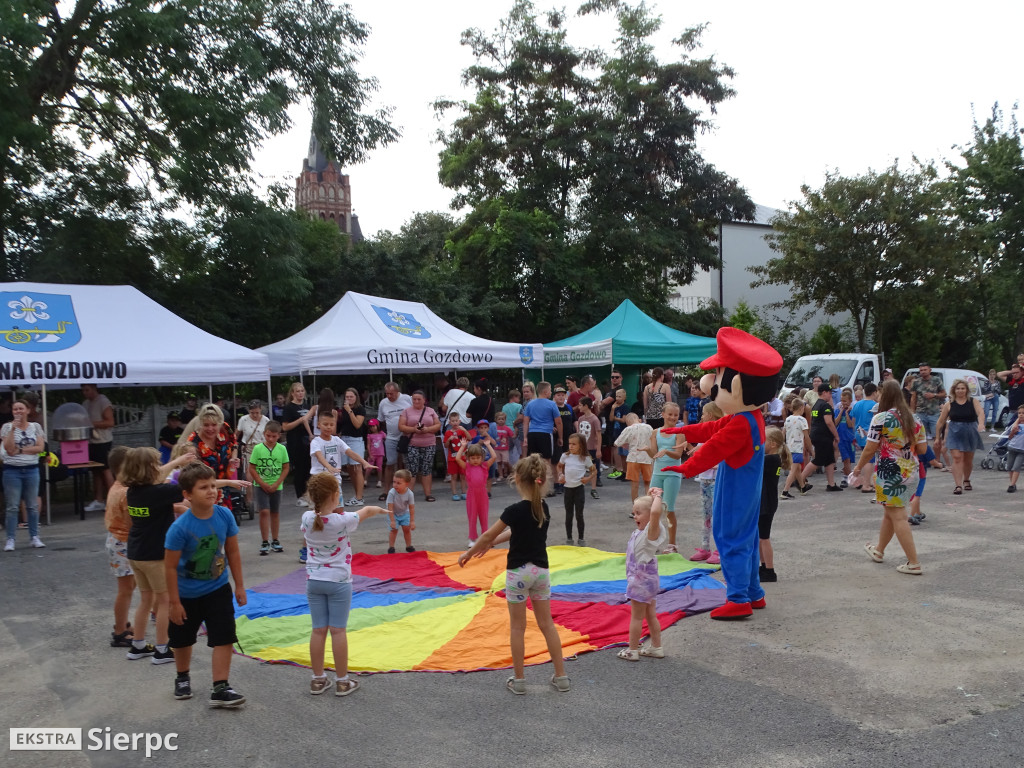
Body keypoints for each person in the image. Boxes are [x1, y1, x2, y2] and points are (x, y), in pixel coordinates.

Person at [458, 454, 570, 695]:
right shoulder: (543, 507)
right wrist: (494, 542)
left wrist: (470, 552)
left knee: (517, 628)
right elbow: (514, 532)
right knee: (547, 624)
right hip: (540, 572)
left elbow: (488, 534)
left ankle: (519, 680)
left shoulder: (514, 510)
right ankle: (561, 676)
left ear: (517, 479)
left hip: (518, 573)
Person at [164, 462, 247, 706]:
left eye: (213, 485)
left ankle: (220, 687)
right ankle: (182, 676)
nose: (211, 491)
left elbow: (232, 551)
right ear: (187, 494)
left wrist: (239, 585)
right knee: (182, 639)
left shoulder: (224, 514)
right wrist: (174, 602)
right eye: (203, 487)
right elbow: (169, 567)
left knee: (224, 636)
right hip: (186, 594)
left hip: (218, 589)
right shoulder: (179, 528)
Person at [301, 472, 387, 696]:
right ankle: (342, 681)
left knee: (318, 630)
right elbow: (367, 511)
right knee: (338, 631)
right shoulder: (343, 521)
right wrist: (383, 510)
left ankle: (318, 679)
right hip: (339, 582)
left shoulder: (307, 519)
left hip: (314, 581)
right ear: (334, 495)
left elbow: (320, 518)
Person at [123, 447, 191, 664]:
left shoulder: (133, 491)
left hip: (136, 553)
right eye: (156, 464)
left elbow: (157, 477)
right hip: (155, 555)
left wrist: (176, 460)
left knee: (145, 600)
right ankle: (162, 648)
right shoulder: (160, 492)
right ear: (151, 470)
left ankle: (138, 645)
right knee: (165, 602)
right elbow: (187, 487)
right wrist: (182, 466)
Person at [854, 379, 927, 575]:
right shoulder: (915, 419)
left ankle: (914, 563)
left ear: (883, 395)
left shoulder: (881, 419)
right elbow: (922, 448)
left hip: (889, 471)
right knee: (890, 512)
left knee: (899, 516)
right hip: (910, 470)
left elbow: (870, 448)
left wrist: (858, 468)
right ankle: (879, 550)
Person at [616, 487, 667, 661]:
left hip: (641, 580)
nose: (635, 517)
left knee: (636, 617)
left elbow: (654, 512)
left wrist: (657, 496)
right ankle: (656, 647)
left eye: (638, 513)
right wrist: (652, 495)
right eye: (633, 513)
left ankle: (632, 650)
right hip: (649, 580)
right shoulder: (642, 531)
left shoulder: (651, 533)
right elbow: (651, 509)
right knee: (650, 614)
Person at [2, 399, 45, 551]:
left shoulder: (35, 427)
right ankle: (10, 539)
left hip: (31, 469)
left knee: (32, 505)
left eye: (21, 408)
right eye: (15, 409)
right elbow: (8, 449)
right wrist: (13, 430)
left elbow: (40, 447)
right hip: (12, 470)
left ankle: (34, 536)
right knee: (12, 506)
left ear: (27, 410)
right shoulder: (6, 427)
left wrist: (20, 451)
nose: (18, 412)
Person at [104, 446, 135, 647]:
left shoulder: (118, 486)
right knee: (125, 590)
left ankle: (122, 622)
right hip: (122, 543)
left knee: (130, 586)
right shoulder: (124, 492)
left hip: (119, 542)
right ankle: (119, 631)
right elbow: (134, 521)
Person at [183, 404, 240, 512]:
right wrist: (229, 482)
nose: (210, 429)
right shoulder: (193, 442)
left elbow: (234, 443)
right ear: (200, 424)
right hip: (203, 491)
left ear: (220, 424)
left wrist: (234, 458)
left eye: (214, 425)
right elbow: (195, 475)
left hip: (224, 491)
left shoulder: (225, 429)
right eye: (206, 425)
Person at [646, 402, 686, 553]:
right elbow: (654, 454)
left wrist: (666, 452)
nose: (673, 417)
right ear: (662, 414)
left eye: (676, 415)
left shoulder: (679, 433)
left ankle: (672, 544)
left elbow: (678, 454)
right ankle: (652, 542)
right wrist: (647, 450)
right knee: (652, 508)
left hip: (672, 474)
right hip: (657, 473)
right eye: (670, 414)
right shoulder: (655, 432)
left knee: (669, 509)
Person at [933, 378, 985, 495]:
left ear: (966, 390)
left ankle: (966, 479)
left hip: (970, 430)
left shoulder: (973, 401)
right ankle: (958, 485)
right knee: (957, 458)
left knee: (968, 459)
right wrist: (937, 437)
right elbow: (940, 422)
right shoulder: (949, 404)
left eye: (962, 388)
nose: (960, 391)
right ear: (954, 390)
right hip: (955, 431)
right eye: (958, 388)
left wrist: (981, 423)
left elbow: (980, 412)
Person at [248, 421, 290, 556]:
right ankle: (265, 540)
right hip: (261, 485)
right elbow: (252, 468)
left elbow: (285, 467)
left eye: (273, 436)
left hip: (276, 485)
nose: (270, 439)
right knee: (264, 511)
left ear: (279, 436)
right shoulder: (258, 449)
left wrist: (277, 483)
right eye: (268, 436)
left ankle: (275, 539)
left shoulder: (282, 449)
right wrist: (261, 483)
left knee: (275, 512)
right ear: (264, 434)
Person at [689, 402, 722, 563]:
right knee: (706, 515)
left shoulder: (722, 434)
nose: (701, 416)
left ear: (710, 415)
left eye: (704, 413)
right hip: (704, 479)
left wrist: (712, 464)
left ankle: (719, 549)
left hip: (716, 479)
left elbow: (724, 458)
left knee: (717, 516)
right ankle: (705, 547)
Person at [398, 390, 441, 502]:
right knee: (412, 470)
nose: (416, 401)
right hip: (412, 444)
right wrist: (413, 429)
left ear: (424, 400)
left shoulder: (430, 411)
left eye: (419, 399)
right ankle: (408, 496)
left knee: (427, 469)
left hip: (429, 443)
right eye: (414, 399)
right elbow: (401, 426)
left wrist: (427, 429)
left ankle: (428, 494)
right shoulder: (406, 411)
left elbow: (437, 425)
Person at [759, 427, 789, 583]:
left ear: (771, 443)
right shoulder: (771, 458)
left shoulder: (771, 459)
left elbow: (752, 461)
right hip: (764, 502)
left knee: (764, 537)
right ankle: (763, 566)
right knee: (760, 537)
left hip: (767, 503)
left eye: (762, 440)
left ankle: (769, 570)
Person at [801, 383, 842, 492]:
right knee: (818, 460)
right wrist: (836, 436)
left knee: (829, 460)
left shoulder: (816, 405)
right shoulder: (825, 406)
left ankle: (831, 484)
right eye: (829, 393)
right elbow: (829, 422)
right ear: (824, 392)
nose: (830, 395)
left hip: (817, 435)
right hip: (823, 436)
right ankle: (800, 480)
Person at [82, 383, 116, 513]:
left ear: (94, 388)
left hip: (103, 440)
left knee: (105, 470)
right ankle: (99, 500)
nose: (85, 392)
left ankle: (113, 501)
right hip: (91, 441)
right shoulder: (85, 403)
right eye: (83, 390)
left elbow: (110, 422)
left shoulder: (103, 401)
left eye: (87, 390)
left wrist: (91, 424)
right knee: (95, 471)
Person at [376, 382, 413, 501]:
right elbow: (380, 419)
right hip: (391, 437)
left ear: (397, 392)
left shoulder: (407, 399)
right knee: (390, 463)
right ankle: (386, 491)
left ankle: (406, 490)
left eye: (391, 394)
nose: (389, 396)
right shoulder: (383, 403)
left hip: (406, 436)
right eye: (387, 394)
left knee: (407, 463)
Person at [281, 382, 315, 506]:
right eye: (298, 391)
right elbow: (285, 427)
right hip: (296, 441)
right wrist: (300, 420)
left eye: (302, 390)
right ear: (293, 393)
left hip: (307, 441)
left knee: (308, 469)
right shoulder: (289, 408)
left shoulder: (307, 406)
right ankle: (300, 495)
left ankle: (308, 494)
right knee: (299, 469)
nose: (300, 393)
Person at [557, 433, 594, 546]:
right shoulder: (565, 456)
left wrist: (588, 479)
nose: (571, 446)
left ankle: (581, 538)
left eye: (574, 444)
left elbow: (594, 471)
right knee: (568, 514)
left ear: (581, 445)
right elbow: (559, 466)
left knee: (579, 514)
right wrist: (560, 475)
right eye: (570, 444)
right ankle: (569, 537)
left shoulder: (585, 458)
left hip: (579, 489)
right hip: (568, 489)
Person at [457, 443, 496, 547]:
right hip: (472, 495)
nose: (475, 460)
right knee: (472, 517)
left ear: (482, 457)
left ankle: (485, 539)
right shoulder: (467, 466)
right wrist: (463, 446)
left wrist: (488, 445)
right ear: (468, 458)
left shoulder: (484, 465)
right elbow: (457, 458)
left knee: (484, 517)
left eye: (478, 458)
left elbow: (494, 457)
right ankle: (472, 539)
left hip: (483, 494)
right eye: (472, 458)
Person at [521, 381, 563, 479]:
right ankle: (546, 486)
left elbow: (525, 421)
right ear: (545, 391)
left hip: (532, 434)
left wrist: (525, 437)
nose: (551, 392)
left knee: (533, 460)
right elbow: (559, 422)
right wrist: (560, 437)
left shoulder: (530, 404)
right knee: (546, 460)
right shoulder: (552, 404)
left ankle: (534, 483)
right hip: (545, 434)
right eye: (550, 390)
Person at [336, 388, 368, 507]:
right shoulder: (343, 410)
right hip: (345, 439)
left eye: (351, 397)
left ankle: (359, 497)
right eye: (347, 397)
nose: (349, 399)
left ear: (356, 397)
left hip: (356, 440)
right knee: (349, 468)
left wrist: (350, 411)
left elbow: (357, 424)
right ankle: (356, 495)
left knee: (357, 467)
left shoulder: (360, 409)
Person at [614, 413, 654, 502]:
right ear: (639, 419)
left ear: (628, 423)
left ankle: (635, 509)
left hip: (633, 459)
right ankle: (649, 506)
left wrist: (626, 443)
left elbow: (617, 443)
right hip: (647, 457)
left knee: (635, 484)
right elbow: (654, 441)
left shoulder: (628, 429)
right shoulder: (648, 427)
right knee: (648, 483)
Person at [235, 400, 268, 501]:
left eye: (257, 413)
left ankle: (261, 499)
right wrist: (234, 446)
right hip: (249, 448)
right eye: (252, 413)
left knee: (262, 475)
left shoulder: (266, 420)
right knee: (249, 475)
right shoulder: (243, 420)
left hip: (262, 448)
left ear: (260, 410)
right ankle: (249, 500)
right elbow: (236, 434)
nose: (254, 415)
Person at [780, 398, 812, 498]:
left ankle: (802, 487)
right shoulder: (802, 420)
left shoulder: (788, 419)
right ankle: (785, 491)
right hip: (797, 447)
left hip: (789, 447)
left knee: (797, 468)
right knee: (793, 470)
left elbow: (783, 433)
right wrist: (810, 448)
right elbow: (806, 436)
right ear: (801, 407)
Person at [910, 362, 946, 439]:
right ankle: (924, 451)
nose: (923, 372)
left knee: (936, 436)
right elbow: (913, 398)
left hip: (933, 412)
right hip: (920, 412)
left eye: (925, 370)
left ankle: (936, 450)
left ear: (930, 370)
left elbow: (944, 394)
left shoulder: (936, 380)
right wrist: (912, 412)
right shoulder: (916, 382)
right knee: (921, 437)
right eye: (921, 370)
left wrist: (934, 395)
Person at [575, 397, 602, 496]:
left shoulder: (594, 419)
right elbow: (578, 433)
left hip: (592, 448)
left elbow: (598, 435)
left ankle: (593, 488)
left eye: (580, 405)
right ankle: (579, 486)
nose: (579, 407)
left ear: (586, 406)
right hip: (582, 448)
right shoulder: (580, 418)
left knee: (593, 468)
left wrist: (598, 449)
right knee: (580, 467)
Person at [550, 386, 575, 495]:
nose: (560, 397)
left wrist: (577, 432)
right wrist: (551, 426)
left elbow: (575, 420)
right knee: (555, 461)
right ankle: (556, 484)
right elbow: (547, 420)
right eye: (558, 395)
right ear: (554, 397)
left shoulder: (569, 408)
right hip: (556, 439)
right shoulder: (552, 408)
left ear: (565, 396)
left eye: (562, 395)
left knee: (567, 461)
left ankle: (564, 482)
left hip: (568, 438)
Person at [386, 469, 417, 554]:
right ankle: (391, 547)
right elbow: (390, 507)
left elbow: (411, 508)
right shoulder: (391, 493)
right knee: (394, 530)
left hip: (404, 513)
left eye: (398, 483)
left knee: (407, 529)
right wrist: (392, 520)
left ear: (407, 484)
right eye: (394, 482)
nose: (395, 485)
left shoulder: (410, 494)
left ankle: (408, 546)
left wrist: (412, 521)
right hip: (393, 513)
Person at [443, 411, 470, 500]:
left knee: (463, 476)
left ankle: (464, 492)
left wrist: (465, 430)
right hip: (452, 458)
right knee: (453, 476)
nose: (455, 422)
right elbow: (446, 446)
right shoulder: (448, 433)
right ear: (450, 422)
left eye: (456, 420)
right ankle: (454, 494)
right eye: (453, 421)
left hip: (462, 457)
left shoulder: (462, 431)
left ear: (459, 421)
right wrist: (449, 440)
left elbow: (469, 438)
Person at [607, 388, 630, 479]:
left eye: (620, 396)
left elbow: (624, 419)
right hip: (616, 430)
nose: (617, 398)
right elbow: (611, 419)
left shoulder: (625, 407)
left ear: (624, 397)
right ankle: (620, 470)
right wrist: (612, 409)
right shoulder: (615, 406)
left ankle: (624, 470)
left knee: (624, 452)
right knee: (618, 450)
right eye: (616, 396)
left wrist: (616, 418)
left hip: (623, 431)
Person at [835, 389, 857, 481]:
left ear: (850, 401)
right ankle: (847, 478)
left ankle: (848, 476)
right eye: (841, 400)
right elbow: (835, 423)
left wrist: (847, 413)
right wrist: (841, 412)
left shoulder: (853, 411)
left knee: (850, 459)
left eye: (845, 401)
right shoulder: (838, 410)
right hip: (841, 438)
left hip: (850, 438)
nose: (843, 403)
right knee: (845, 459)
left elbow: (850, 425)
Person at [1004, 405, 1024, 493]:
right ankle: (1013, 483)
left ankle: (1012, 485)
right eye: (1019, 413)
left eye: (1023, 413)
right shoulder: (1015, 425)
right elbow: (1010, 437)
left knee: (1016, 467)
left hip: (1022, 450)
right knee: (1010, 467)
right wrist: (1013, 432)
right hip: (1012, 447)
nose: (1021, 415)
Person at [502, 389, 523, 465]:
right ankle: (519, 467)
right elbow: (519, 418)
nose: (519, 400)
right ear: (514, 397)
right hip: (515, 430)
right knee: (520, 451)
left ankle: (507, 469)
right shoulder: (519, 406)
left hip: (506, 430)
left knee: (507, 451)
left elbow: (503, 419)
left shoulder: (504, 407)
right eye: (518, 398)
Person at [493, 411, 515, 479]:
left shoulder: (507, 428)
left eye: (503, 419)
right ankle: (501, 475)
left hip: (505, 448)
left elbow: (512, 436)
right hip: (496, 448)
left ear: (505, 420)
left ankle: (509, 471)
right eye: (499, 419)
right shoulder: (494, 428)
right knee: (499, 462)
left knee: (505, 462)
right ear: (496, 420)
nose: (501, 421)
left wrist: (516, 431)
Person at [366, 419, 385, 487]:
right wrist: (369, 454)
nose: (372, 428)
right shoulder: (369, 435)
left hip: (380, 454)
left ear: (377, 426)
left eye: (373, 426)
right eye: (370, 427)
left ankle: (379, 481)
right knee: (369, 467)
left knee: (379, 467)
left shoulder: (381, 434)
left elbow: (386, 438)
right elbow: (368, 445)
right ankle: (365, 480)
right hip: (372, 454)